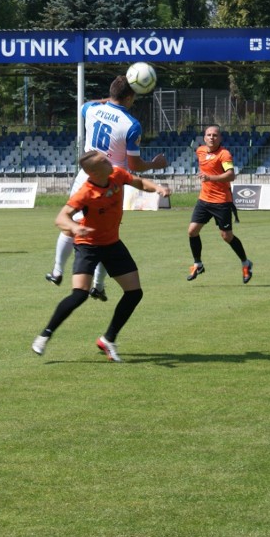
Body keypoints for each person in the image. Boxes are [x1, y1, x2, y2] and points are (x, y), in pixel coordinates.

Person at [32, 150, 170, 362]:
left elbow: (139, 182)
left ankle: (108, 339)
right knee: (79, 294)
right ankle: (45, 335)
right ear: (95, 172)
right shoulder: (86, 192)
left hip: (112, 243)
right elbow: (61, 218)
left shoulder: (117, 174)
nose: (109, 162)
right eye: (104, 161)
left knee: (134, 293)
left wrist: (158, 188)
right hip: (88, 245)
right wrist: (74, 228)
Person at [45, 75, 168, 301]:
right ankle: (98, 285)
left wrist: (110, 97)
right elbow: (134, 165)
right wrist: (155, 164)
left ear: (111, 93)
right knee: (106, 234)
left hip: (85, 176)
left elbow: (92, 103)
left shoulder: (90, 109)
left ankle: (57, 271)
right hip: (111, 181)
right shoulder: (131, 125)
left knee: (69, 224)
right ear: (130, 97)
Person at [186, 125, 253, 284]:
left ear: (220, 138)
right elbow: (206, 167)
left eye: (215, 135)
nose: (211, 137)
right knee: (192, 231)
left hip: (221, 201)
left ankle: (245, 263)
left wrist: (210, 178)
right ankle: (198, 264)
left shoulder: (224, 154)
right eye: (208, 135)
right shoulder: (200, 151)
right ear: (204, 138)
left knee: (226, 236)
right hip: (204, 199)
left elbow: (231, 175)